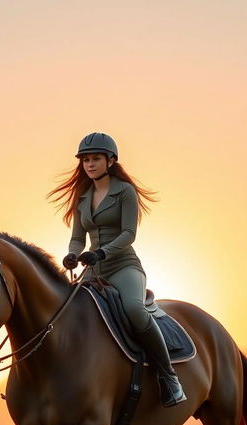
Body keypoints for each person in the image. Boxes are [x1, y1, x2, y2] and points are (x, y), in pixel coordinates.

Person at [47, 132, 186, 407]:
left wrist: (101, 252)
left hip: (123, 266)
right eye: (86, 160)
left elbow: (128, 234)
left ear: (110, 161)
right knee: (65, 313)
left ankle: (169, 378)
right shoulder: (82, 196)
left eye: (95, 158)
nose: (90, 164)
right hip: (92, 270)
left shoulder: (125, 191)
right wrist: (72, 255)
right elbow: (77, 236)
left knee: (134, 309)